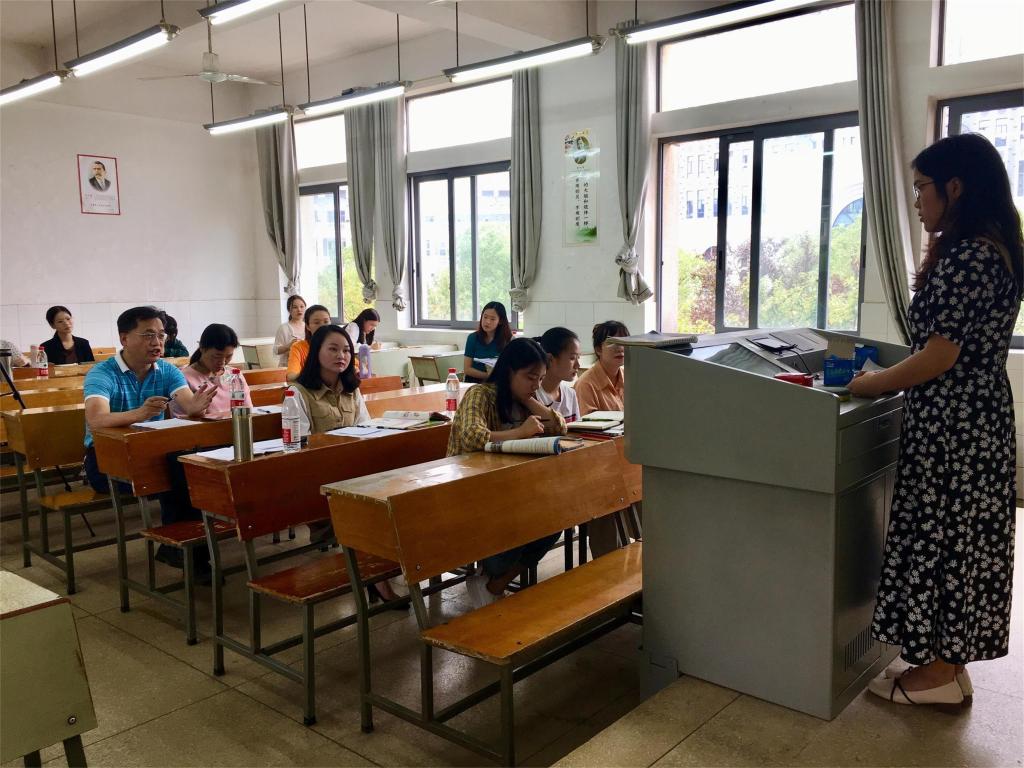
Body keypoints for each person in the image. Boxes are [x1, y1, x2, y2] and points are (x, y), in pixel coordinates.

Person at [847, 134, 1021, 710]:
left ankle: (941, 672)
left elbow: (940, 355)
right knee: (964, 541)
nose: (918, 201)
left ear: (955, 187)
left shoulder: (969, 256)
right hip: (978, 418)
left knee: (942, 538)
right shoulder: (996, 248)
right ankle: (947, 664)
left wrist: (869, 383)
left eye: (922, 188)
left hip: (954, 427)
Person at [82, 307, 217, 570]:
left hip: (151, 453)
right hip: (104, 459)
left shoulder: (166, 370)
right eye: (148, 335)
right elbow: (96, 419)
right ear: (124, 338)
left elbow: (189, 405)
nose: (157, 342)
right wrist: (140, 414)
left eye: (161, 335)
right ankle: (185, 551)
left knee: (189, 469)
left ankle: (185, 551)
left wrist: (198, 405)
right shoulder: (102, 373)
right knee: (180, 474)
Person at [447, 337, 567, 607]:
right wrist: (520, 432)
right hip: (472, 492)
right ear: (509, 370)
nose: (536, 384)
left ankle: (494, 584)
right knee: (522, 523)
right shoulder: (480, 395)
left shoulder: (524, 398)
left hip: (511, 492)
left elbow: (560, 428)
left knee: (555, 520)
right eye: (530, 377)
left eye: (540, 378)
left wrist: (530, 400)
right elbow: (472, 437)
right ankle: (491, 570)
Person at [289, 324, 403, 606]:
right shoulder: (298, 393)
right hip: (320, 480)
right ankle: (379, 580)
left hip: (355, 473)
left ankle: (381, 574)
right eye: (333, 349)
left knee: (399, 497)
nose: (341, 355)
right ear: (316, 353)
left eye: (346, 350)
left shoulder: (352, 390)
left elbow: (366, 431)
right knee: (371, 508)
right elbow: (299, 446)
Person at [574, 320, 630, 558]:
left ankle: (639, 557)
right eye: (612, 343)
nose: (620, 348)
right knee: (606, 500)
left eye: (623, 342)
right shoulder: (586, 384)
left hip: (626, 457)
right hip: (598, 464)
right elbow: (588, 433)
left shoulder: (628, 377)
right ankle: (608, 562)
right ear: (598, 349)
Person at [171, 324, 252, 419]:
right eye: (217, 356)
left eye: (228, 356)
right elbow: (180, 420)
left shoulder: (235, 375)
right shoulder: (182, 377)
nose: (223, 362)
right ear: (202, 348)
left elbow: (247, 411)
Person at [535, 327, 582, 423]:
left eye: (578, 357)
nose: (578, 365)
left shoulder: (571, 394)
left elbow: (577, 430)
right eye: (572, 358)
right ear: (550, 359)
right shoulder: (533, 395)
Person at [463, 301, 513, 381]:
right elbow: (467, 369)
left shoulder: (509, 340)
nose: (487, 321)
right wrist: (490, 377)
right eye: (485, 317)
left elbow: (511, 369)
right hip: (474, 383)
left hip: (498, 384)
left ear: (500, 321)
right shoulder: (472, 338)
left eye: (492, 319)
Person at [287, 304, 332, 381]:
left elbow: (352, 368)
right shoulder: (298, 347)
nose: (322, 326)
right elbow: (291, 376)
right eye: (317, 322)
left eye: (326, 321)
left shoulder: (339, 344)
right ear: (308, 326)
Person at [274, 295, 307, 367]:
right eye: (295, 307)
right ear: (289, 310)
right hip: (287, 367)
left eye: (302, 306)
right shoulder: (283, 328)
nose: (299, 310)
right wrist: (289, 346)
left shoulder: (308, 326)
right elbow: (276, 350)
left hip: (305, 366)